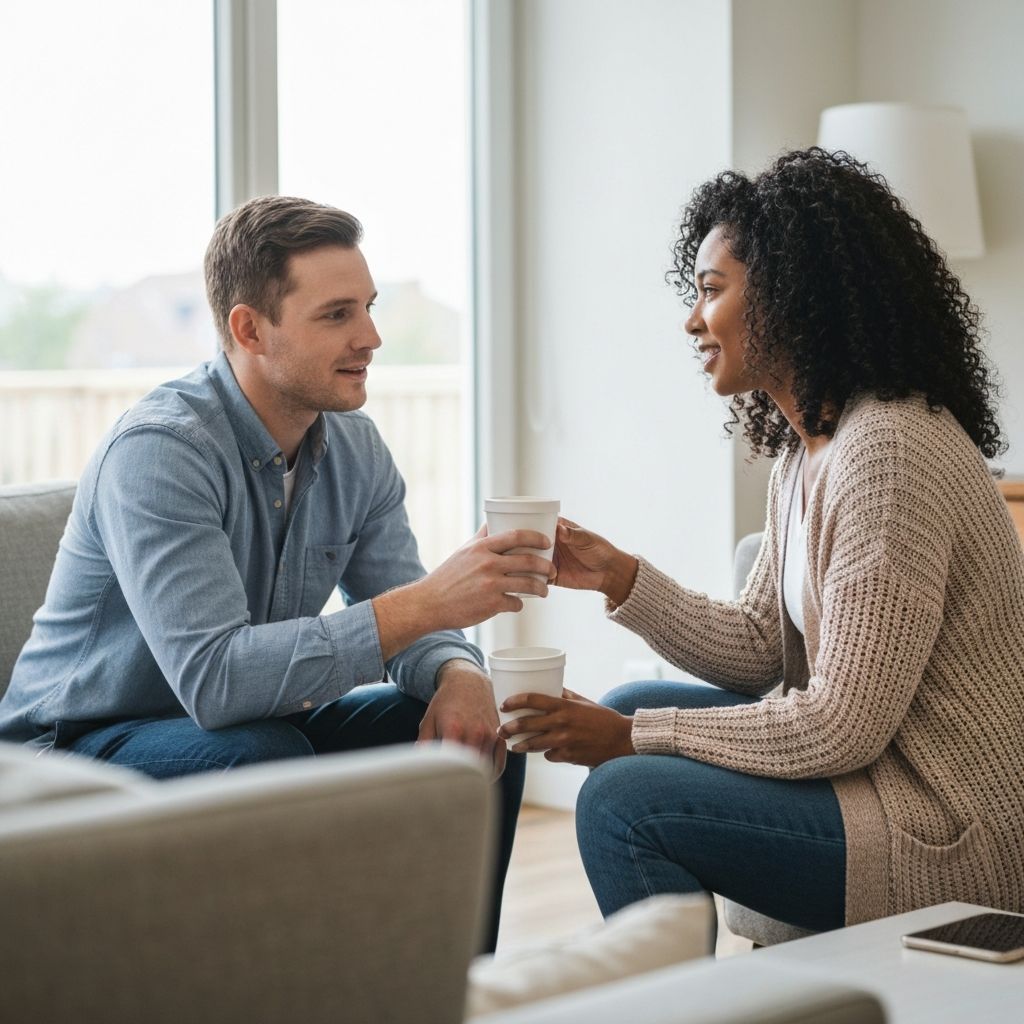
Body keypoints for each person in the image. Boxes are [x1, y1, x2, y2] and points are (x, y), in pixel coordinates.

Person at [0, 195, 555, 951]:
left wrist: (458, 669)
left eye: (368, 307)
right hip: (81, 746)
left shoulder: (355, 450)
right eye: (336, 315)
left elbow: (414, 619)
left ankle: (451, 988)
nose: (372, 336)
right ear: (248, 329)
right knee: (264, 758)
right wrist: (424, 607)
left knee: (474, 738)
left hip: (253, 727)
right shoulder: (162, 452)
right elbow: (217, 682)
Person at [497, 148, 1024, 932]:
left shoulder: (887, 451)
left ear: (789, 296)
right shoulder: (807, 446)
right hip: (881, 779)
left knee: (621, 797)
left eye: (711, 291)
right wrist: (621, 579)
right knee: (630, 702)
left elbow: (841, 723)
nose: (692, 319)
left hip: (949, 829)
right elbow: (760, 649)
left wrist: (632, 740)